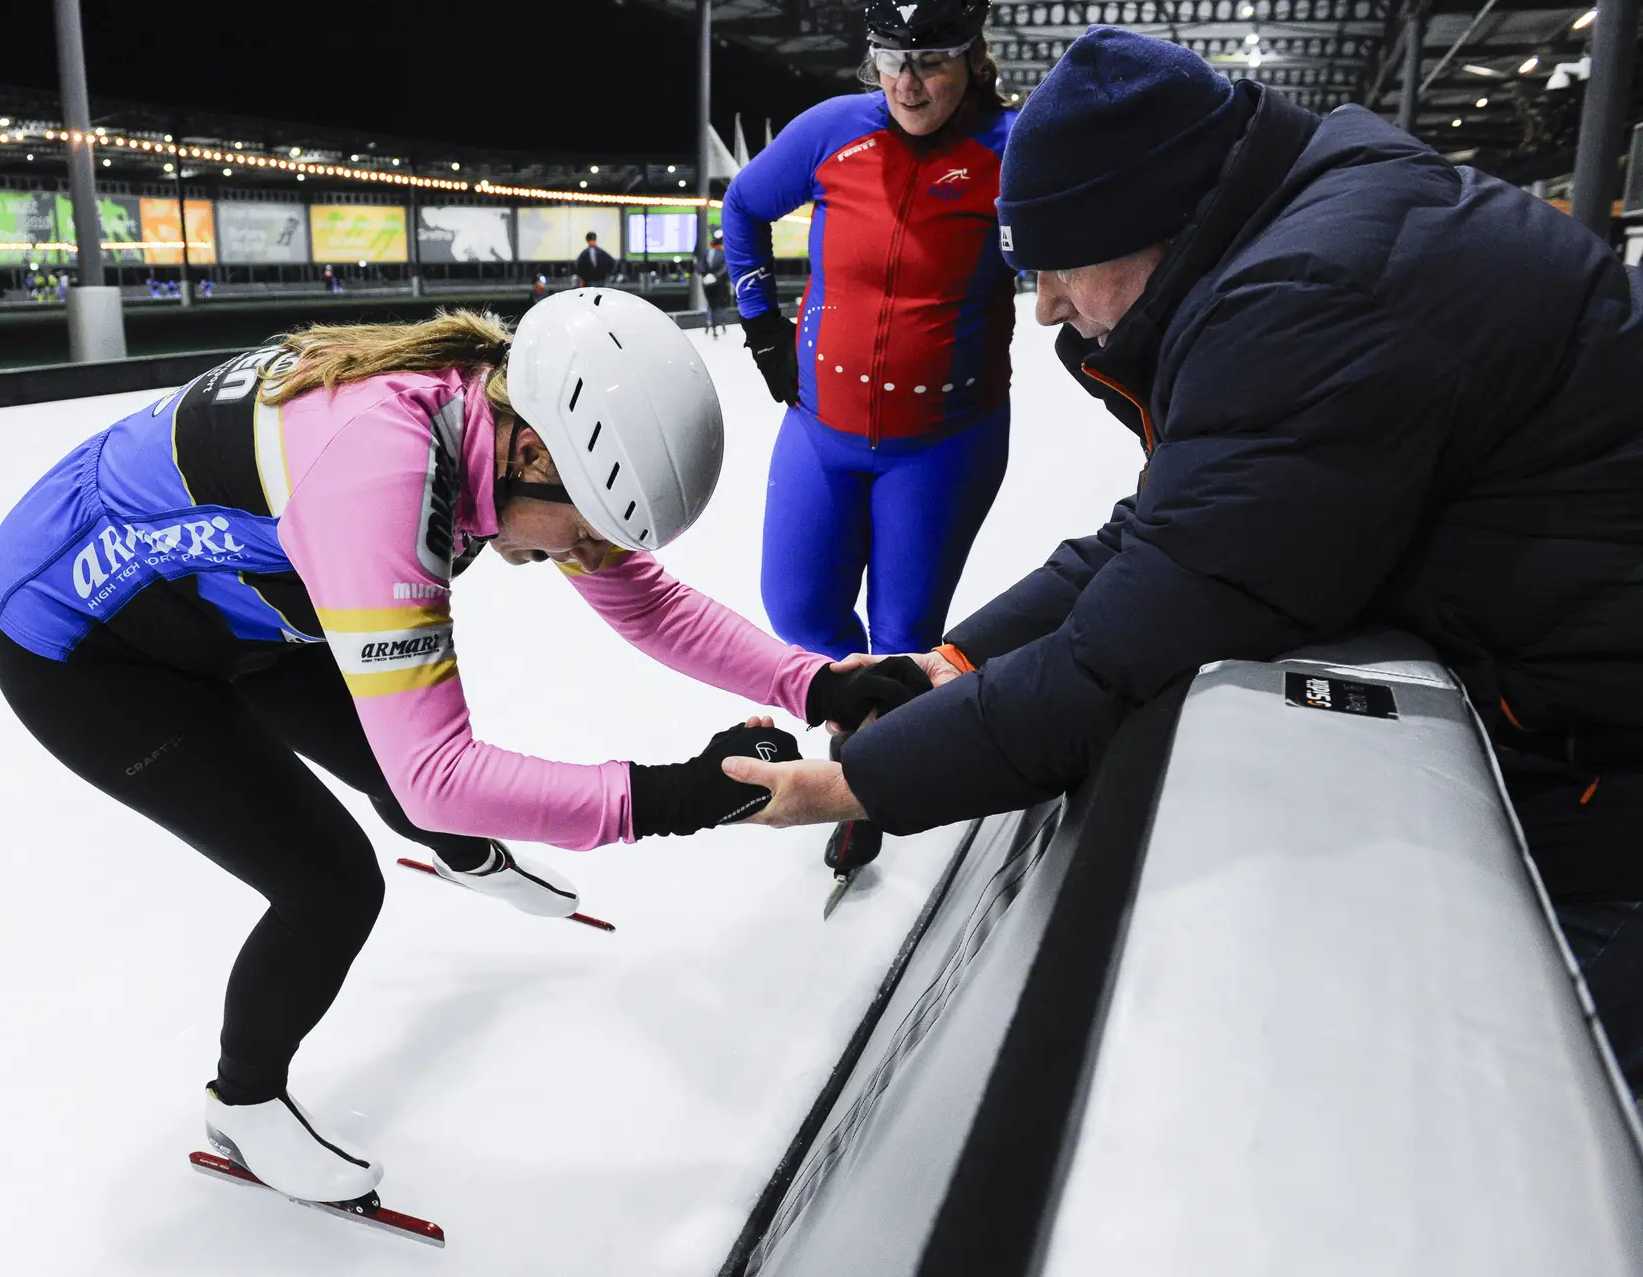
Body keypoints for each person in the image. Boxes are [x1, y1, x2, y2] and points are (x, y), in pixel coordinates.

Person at [725, 27, 1643, 1099]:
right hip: (1571, 672)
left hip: (1609, 746)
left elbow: (1136, 641)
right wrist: (947, 666)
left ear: (1146, 222)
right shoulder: (1305, 221)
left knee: (1542, 1106)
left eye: (1061, 263)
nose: (1052, 307)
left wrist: (849, 782)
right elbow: (1161, 530)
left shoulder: (1311, 302)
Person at [0, 288, 929, 1205]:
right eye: (586, 528)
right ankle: (243, 1100)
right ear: (530, 451)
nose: (583, 551)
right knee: (331, 881)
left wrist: (816, 681)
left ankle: (467, 852)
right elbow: (438, 775)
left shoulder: (503, 401)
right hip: (83, 648)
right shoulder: (379, 478)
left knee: (404, 768)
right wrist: (684, 796)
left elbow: (643, 599)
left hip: (233, 597)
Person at [719, 0, 1016, 878]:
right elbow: (741, 206)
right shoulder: (833, 130)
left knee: (900, 637)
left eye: (928, 61)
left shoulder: (1012, 148)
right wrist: (760, 325)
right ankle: (864, 725)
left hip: (942, 444)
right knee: (800, 614)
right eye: (890, 59)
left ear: (971, 59)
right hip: (821, 431)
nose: (906, 83)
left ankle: (868, 784)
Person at [700, 226, 729, 338]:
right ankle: (716, 325)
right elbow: (725, 268)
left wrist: (709, 276)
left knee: (713, 305)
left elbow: (701, 266)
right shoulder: (721, 254)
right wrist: (713, 276)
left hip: (712, 283)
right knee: (716, 305)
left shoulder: (709, 253)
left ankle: (714, 324)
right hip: (715, 284)